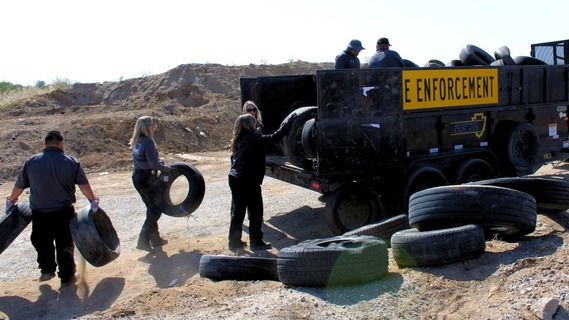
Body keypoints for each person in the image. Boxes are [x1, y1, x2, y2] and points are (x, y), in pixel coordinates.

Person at [6, 130, 98, 287]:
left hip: (39, 213)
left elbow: (19, 186)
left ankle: (47, 269)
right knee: (65, 243)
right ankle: (67, 276)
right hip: (64, 212)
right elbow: (83, 184)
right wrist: (92, 200)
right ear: (62, 143)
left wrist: (11, 200)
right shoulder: (71, 161)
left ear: (44, 144)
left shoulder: (31, 162)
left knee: (40, 240)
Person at [228, 113, 296, 250]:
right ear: (249, 125)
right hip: (248, 179)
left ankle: (234, 242)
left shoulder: (238, 138)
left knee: (238, 212)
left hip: (235, 178)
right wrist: (288, 122)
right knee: (255, 211)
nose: (256, 125)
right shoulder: (253, 137)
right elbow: (274, 138)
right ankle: (256, 242)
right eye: (254, 123)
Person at [129, 116, 172, 252]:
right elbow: (153, 163)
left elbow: (148, 161)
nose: (154, 126)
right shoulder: (148, 142)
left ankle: (155, 239)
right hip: (147, 178)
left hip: (138, 176)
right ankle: (143, 239)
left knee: (151, 207)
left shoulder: (138, 141)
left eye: (153, 123)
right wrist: (167, 169)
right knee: (155, 209)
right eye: (151, 124)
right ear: (144, 127)